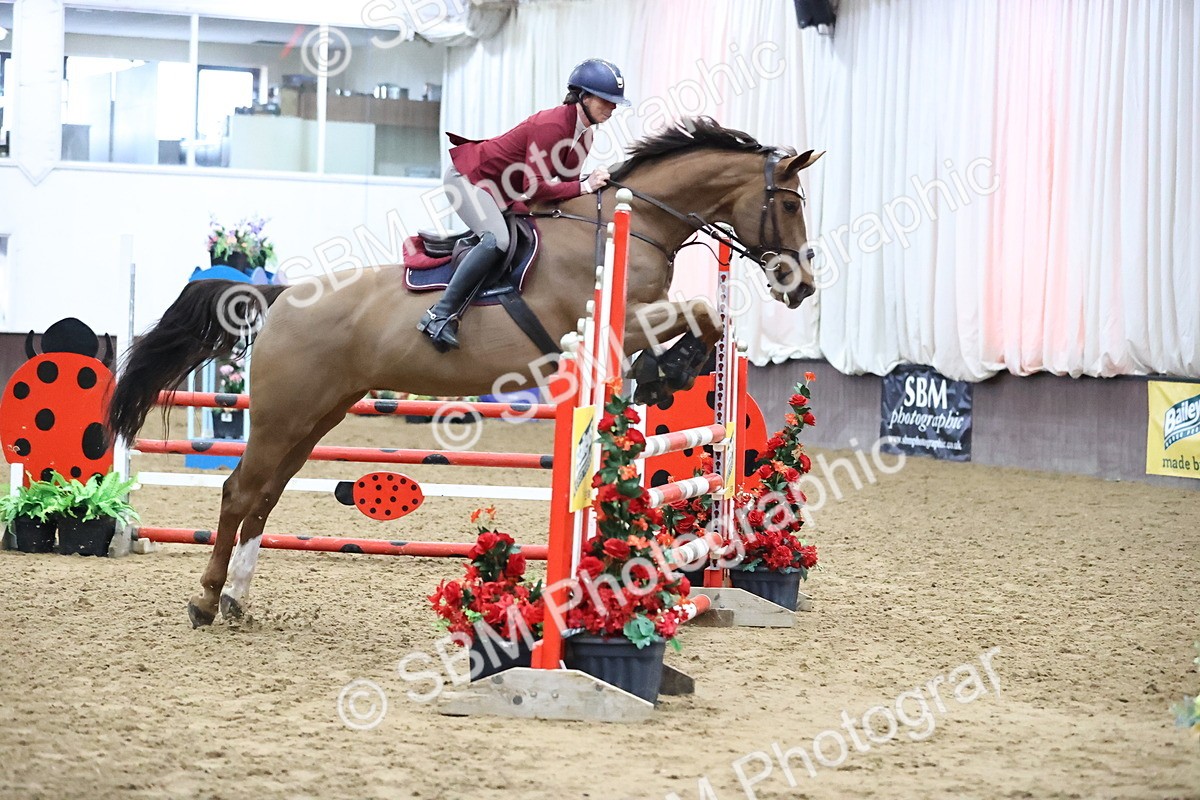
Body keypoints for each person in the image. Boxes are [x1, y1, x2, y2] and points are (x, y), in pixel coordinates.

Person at [418, 58, 631, 351]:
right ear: (584, 96)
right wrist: (585, 184)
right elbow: (536, 186)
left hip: (503, 191)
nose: (613, 108)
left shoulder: (586, 135)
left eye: (614, 102)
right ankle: (438, 314)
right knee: (498, 241)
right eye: (606, 101)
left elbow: (561, 188)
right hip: (471, 179)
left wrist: (587, 187)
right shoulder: (552, 124)